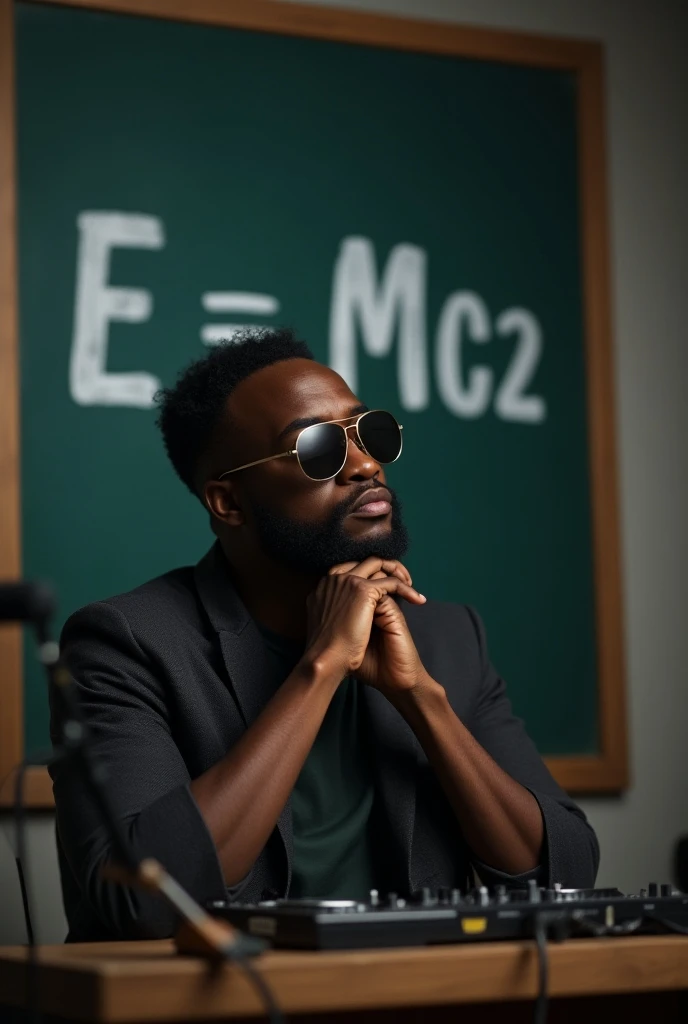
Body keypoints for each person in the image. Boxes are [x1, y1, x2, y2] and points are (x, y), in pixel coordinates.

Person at [50, 328, 599, 941]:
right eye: (317, 449)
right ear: (228, 502)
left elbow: (565, 874)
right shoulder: (126, 642)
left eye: (370, 434)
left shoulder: (447, 638)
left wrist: (422, 701)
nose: (366, 465)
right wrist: (321, 667)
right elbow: (142, 901)